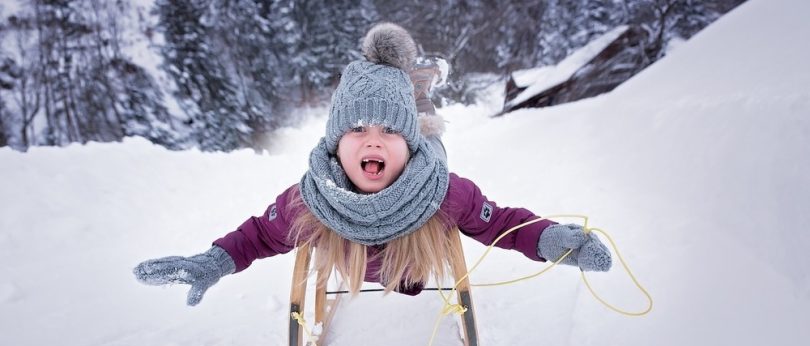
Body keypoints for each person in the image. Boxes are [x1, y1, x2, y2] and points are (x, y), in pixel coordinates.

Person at [133, 23, 612, 306]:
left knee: (420, 124)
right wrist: (213, 262)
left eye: (388, 133)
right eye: (357, 131)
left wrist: (554, 241)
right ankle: (410, 91)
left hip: (415, 228)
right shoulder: (311, 198)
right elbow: (259, 235)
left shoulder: (443, 193)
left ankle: (416, 98)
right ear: (336, 144)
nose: (372, 142)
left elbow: (503, 225)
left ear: (407, 146)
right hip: (373, 204)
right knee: (400, 116)